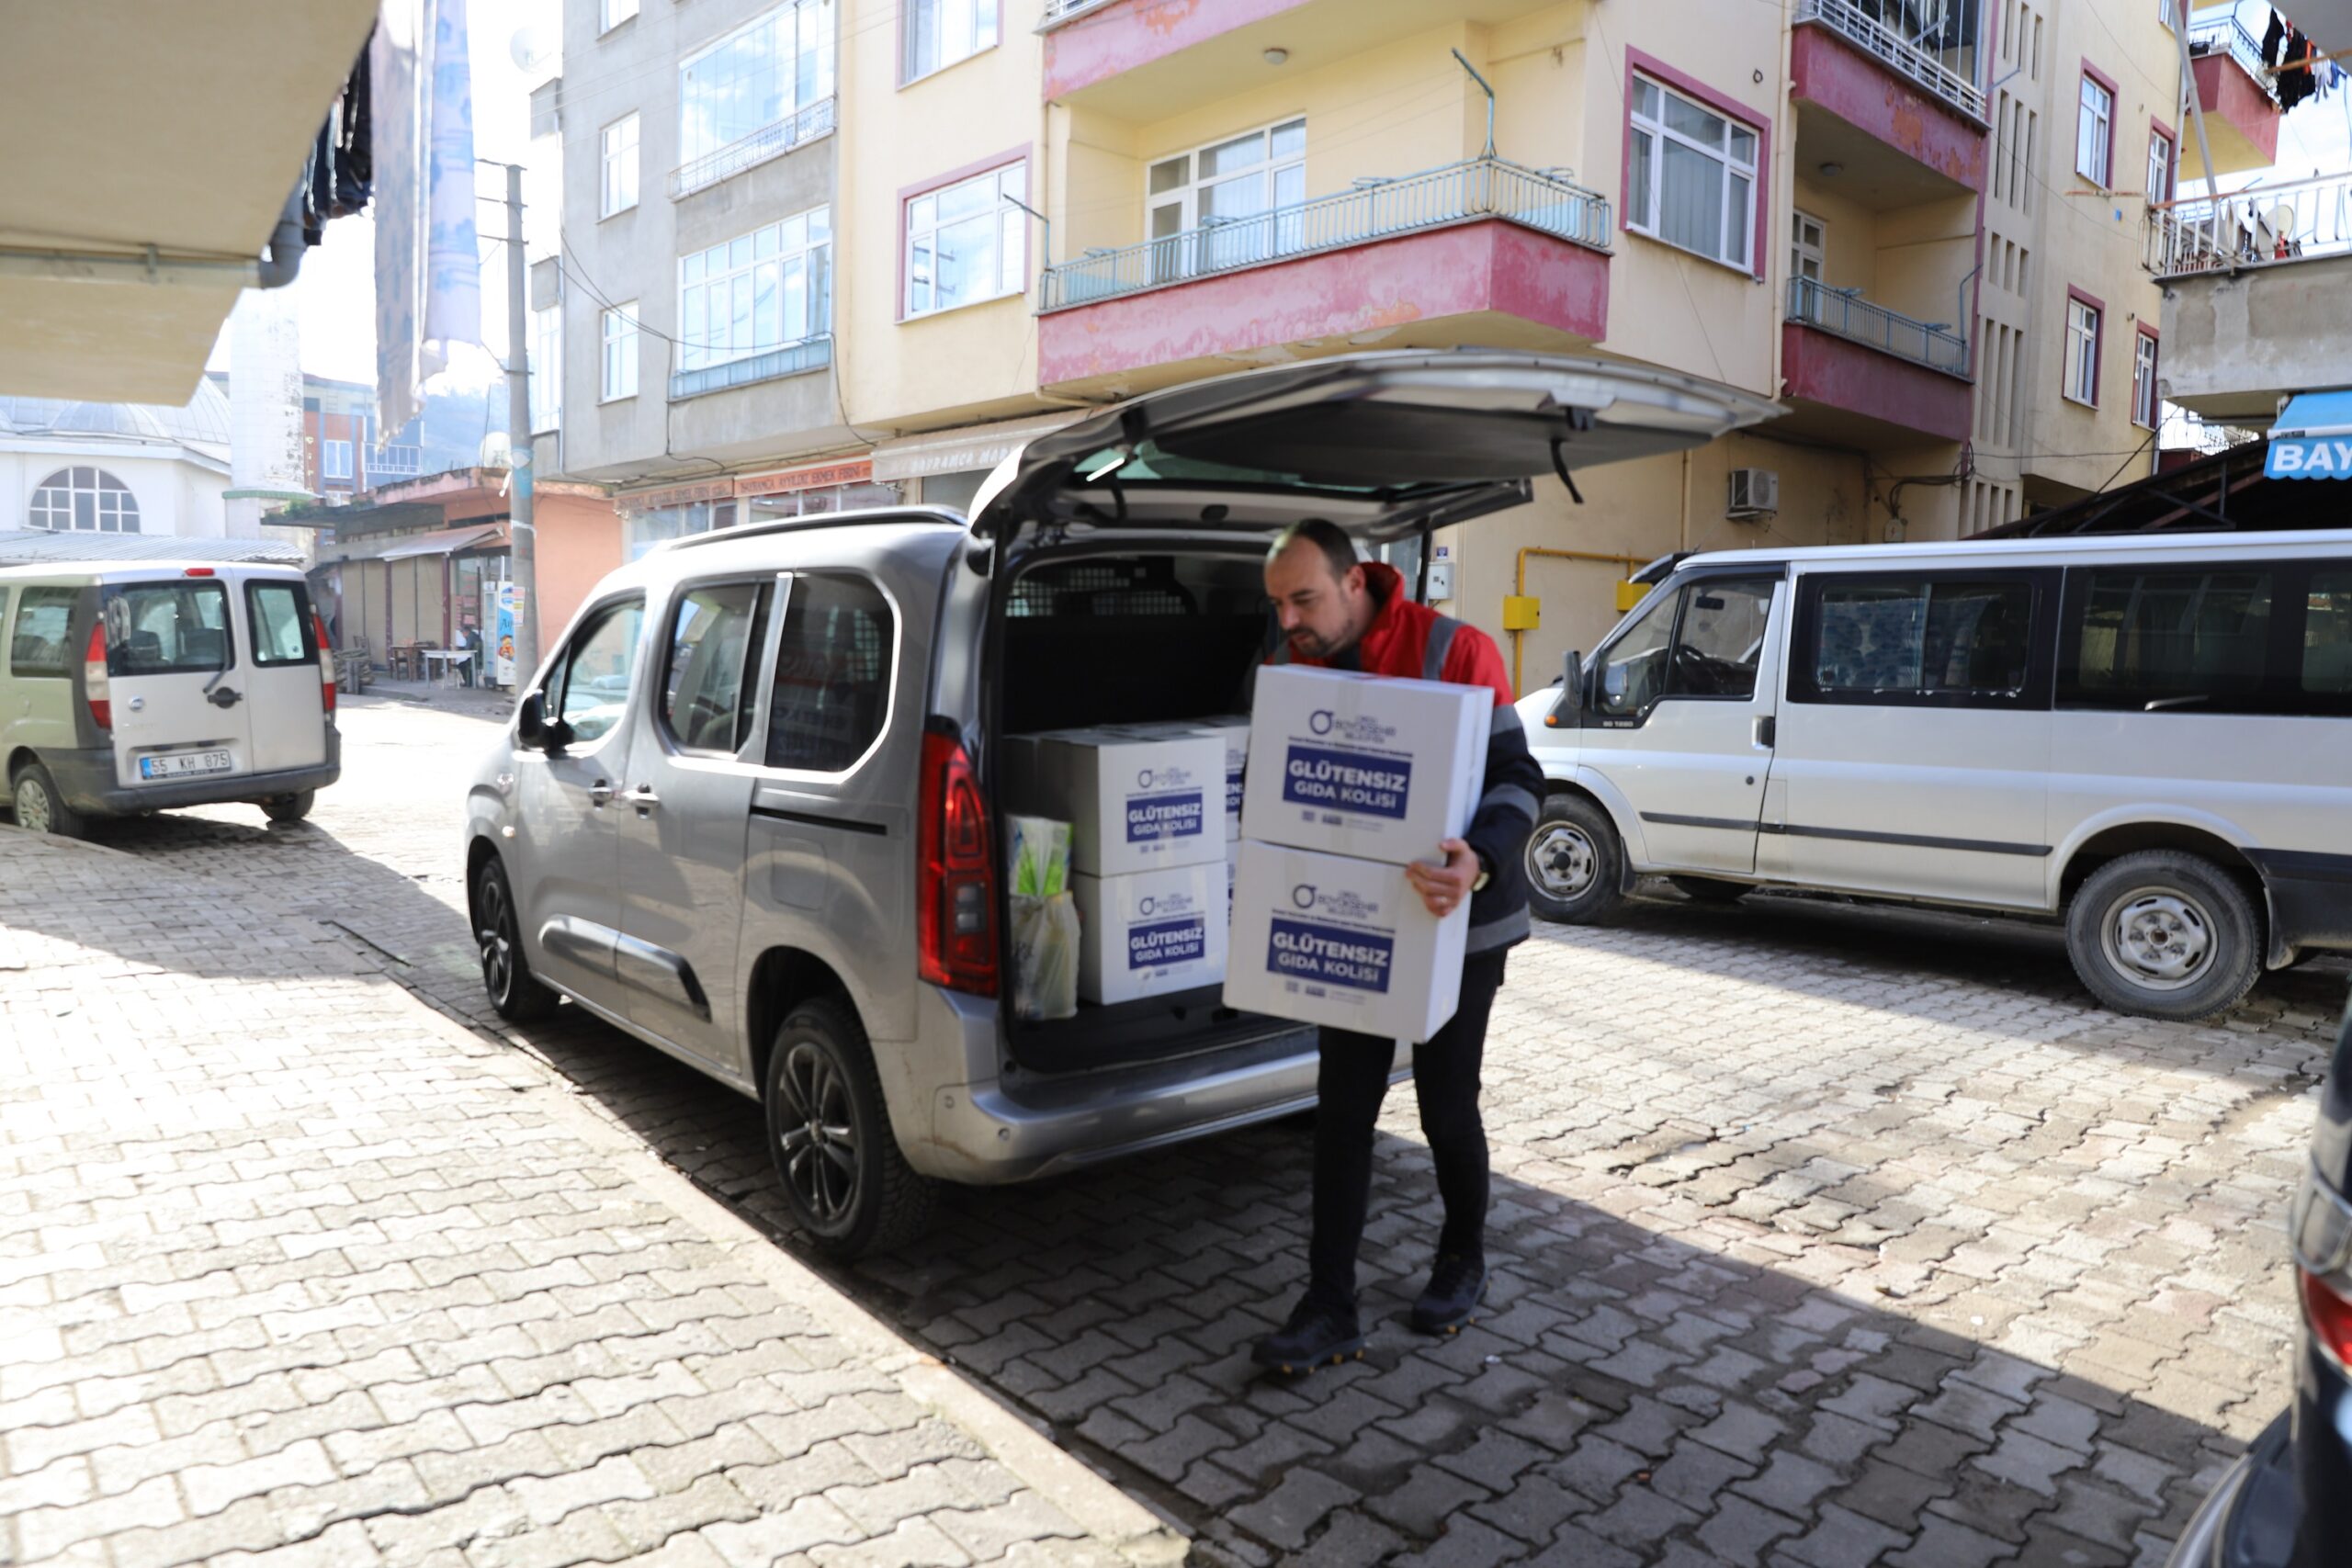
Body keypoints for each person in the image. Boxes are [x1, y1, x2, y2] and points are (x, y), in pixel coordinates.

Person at [1251, 518, 1545, 1374]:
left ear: (1356, 583)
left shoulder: (1454, 648)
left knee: (1446, 1105)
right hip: (1353, 922)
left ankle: (1462, 1258)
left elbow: (1519, 778)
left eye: (1303, 598)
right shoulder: (1286, 666)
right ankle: (1328, 1304)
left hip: (1462, 917)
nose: (1290, 619)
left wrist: (1480, 858)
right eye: (1277, 603)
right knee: (1341, 1111)